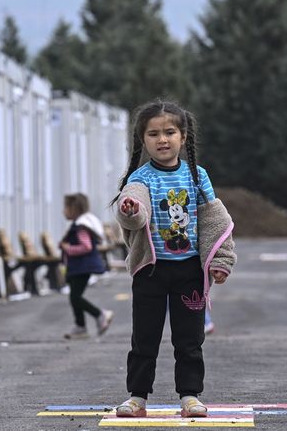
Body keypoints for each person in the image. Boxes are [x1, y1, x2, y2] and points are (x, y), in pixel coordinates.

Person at [111, 100, 236, 418]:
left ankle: (190, 396)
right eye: (153, 133)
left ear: (183, 137)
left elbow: (215, 220)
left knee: (189, 339)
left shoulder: (197, 176)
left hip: (189, 271)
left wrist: (221, 259)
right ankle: (137, 397)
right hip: (151, 270)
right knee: (144, 338)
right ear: (143, 140)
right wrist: (130, 209)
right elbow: (134, 207)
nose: (162, 139)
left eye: (169, 132)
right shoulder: (141, 178)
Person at [60, 193, 113, 340]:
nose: (63, 211)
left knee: (75, 297)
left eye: (65, 207)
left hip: (82, 267)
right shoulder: (79, 225)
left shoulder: (81, 227)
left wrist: (68, 248)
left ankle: (100, 314)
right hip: (77, 267)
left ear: (74, 208)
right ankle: (80, 327)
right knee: (74, 297)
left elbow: (86, 246)